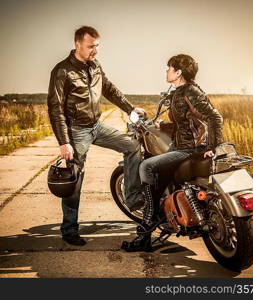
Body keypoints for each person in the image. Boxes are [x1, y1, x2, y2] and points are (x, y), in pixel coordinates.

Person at [47, 26, 145, 246]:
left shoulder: (95, 66)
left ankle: (132, 198)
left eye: (97, 46)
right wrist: (64, 142)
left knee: (132, 146)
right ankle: (69, 229)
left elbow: (109, 89)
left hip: (96, 126)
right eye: (91, 46)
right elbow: (55, 109)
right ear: (77, 45)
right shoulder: (62, 71)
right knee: (75, 178)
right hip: (76, 131)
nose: (95, 51)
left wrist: (130, 108)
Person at [121, 54, 223, 252]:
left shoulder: (190, 92)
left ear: (178, 72)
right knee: (162, 173)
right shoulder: (182, 91)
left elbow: (214, 117)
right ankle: (170, 209)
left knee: (146, 166)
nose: (166, 71)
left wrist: (213, 147)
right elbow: (187, 121)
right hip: (182, 144)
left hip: (189, 149)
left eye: (169, 68)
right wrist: (163, 125)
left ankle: (146, 232)